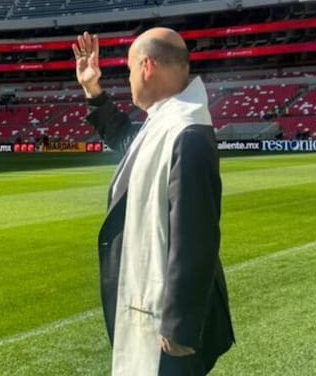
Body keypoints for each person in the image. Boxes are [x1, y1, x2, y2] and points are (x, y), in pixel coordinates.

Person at [73, 29, 234, 376]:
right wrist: (92, 89)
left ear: (146, 66)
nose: (129, 80)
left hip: (168, 332)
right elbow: (127, 140)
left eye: (129, 70)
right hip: (157, 313)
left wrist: (180, 329)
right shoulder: (167, 120)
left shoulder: (186, 133)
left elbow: (196, 238)